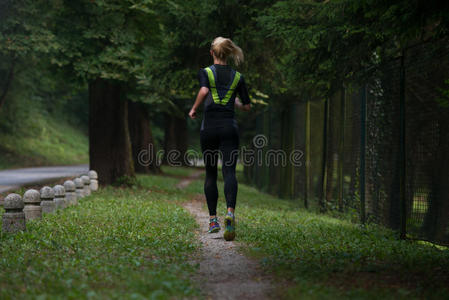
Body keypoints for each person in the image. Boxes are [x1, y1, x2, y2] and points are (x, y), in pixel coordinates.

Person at [189, 37, 251, 241]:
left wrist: (194, 108)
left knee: (210, 174)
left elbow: (205, 90)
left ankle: (213, 220)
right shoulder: (238, 77)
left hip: (210, 128)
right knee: (229, 171)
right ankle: (231, 213)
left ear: (212, 53)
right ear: (228, 53)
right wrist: (236, 102)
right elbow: (247, 106)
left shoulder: (205, 72)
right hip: (229, 128)